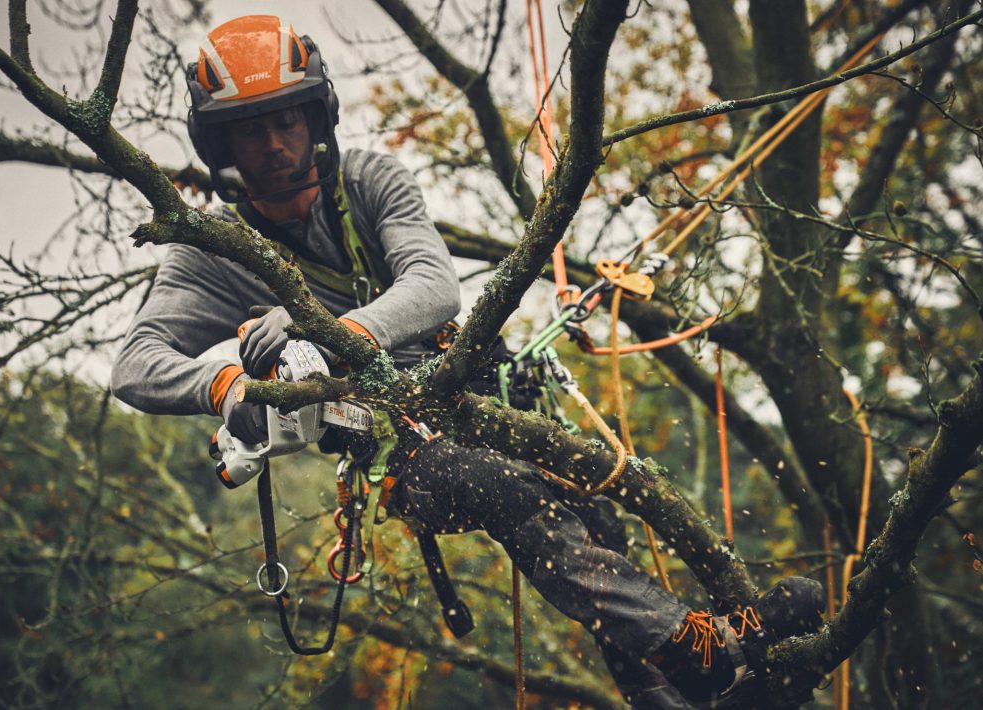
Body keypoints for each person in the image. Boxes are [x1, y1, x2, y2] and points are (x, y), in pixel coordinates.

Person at [110, 15, 824, 707]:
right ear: (219, 141)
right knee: (498, 487)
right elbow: (135, 365)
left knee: (592, 520)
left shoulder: (368, 181)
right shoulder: (210, 252)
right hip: (399, 447)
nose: (271, 142)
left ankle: (694, 684)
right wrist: (226, 385)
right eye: (249, 127)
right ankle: (695, 648)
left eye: (284, 121)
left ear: (314, 116)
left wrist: (319, 331)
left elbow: (432, 285)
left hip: (474, 389)